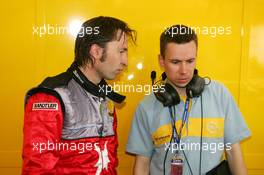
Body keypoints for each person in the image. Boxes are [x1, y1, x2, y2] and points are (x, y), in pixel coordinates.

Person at [126, 24, 250, 175]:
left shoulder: (220, 94)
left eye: (190, 61)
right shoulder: (146, 106)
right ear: (161, 61)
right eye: (175, 62)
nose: (184, 70)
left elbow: (233, 152)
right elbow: (142, 164)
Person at [22, 16, 136, 175]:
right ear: (96, 51)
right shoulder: (51, 96)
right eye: (121, 51)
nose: (125, 61)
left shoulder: (105, 97)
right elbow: (37, 169)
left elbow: (108, 162)